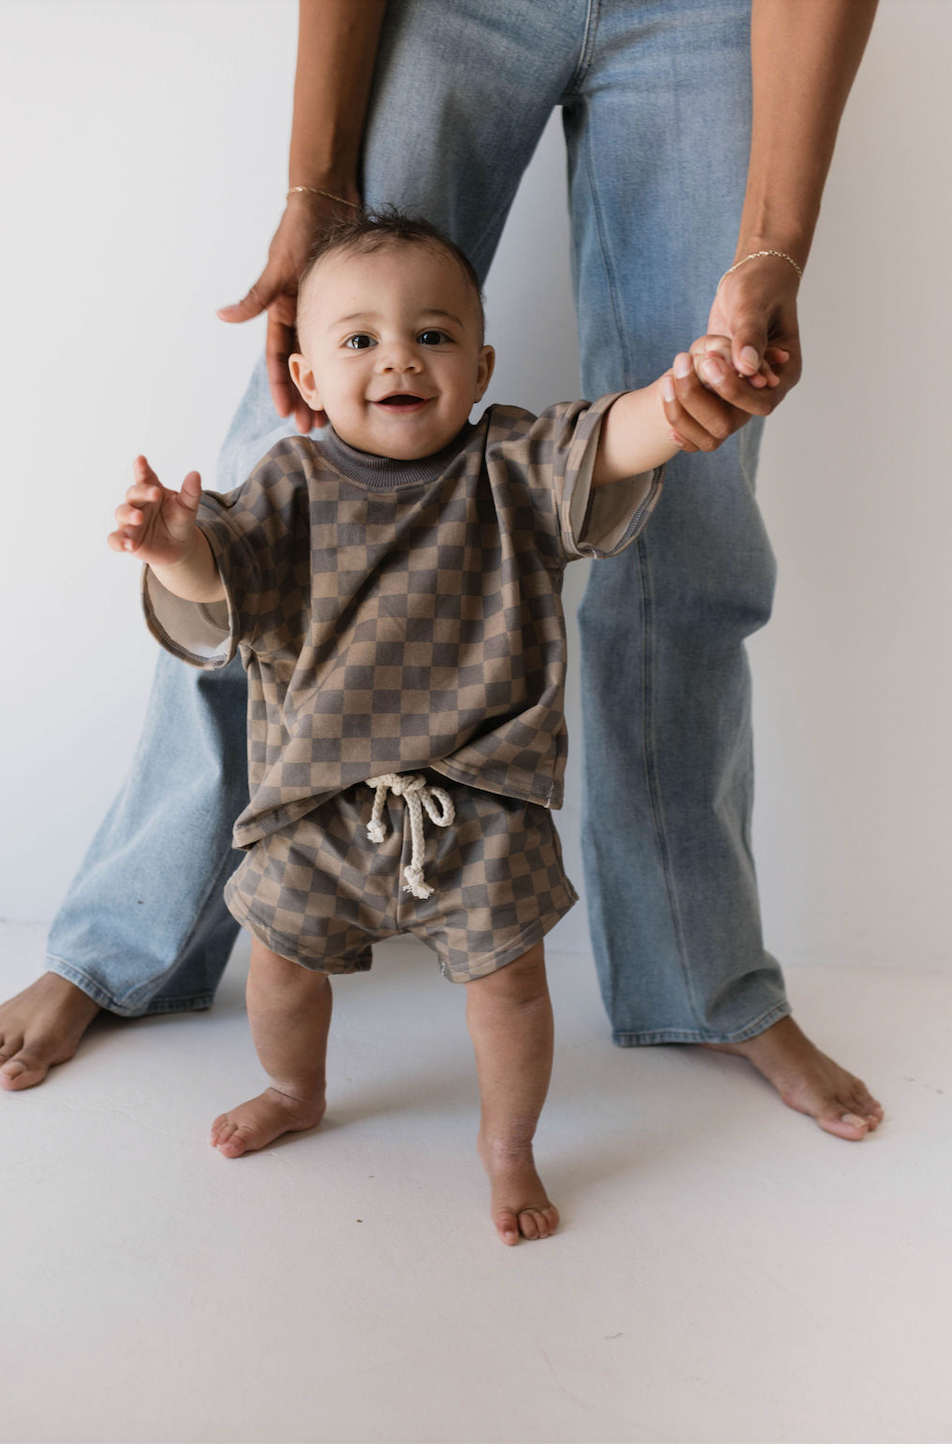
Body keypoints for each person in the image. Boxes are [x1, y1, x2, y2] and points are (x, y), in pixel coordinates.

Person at [1, 0, 884, 1142]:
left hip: (712, 21)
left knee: (693, 480)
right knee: (260, 492)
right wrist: (313, 187)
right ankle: (123, 943)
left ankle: (701, 977)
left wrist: (773, 248)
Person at [107, 211, 770, 1243]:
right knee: (280, 967)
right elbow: (217, 592)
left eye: (432, 334)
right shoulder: (287, 486)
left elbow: (613, 439)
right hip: (315, 805)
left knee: (509, 990)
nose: (398, 359)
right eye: (359, 338)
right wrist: (173, 548)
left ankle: (508, 1145)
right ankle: (295, 1089)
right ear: (308, 377)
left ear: (479, 363)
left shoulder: (512, 463)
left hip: (483, 805)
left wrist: (679, 406)